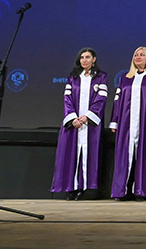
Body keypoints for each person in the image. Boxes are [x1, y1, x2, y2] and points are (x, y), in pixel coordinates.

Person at [50, 48, 108, 200]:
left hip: (90, 125)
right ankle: (72, 188)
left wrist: (87, 117)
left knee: (89, 155)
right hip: (74, 124)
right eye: (82, 57)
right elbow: (67, 99)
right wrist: (73, 118)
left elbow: (101, 99)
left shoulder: (101, 77)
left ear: (94, 59)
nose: (84, 60)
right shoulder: (73, 77)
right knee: (72, 155)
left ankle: (86, 189)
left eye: (88, 57)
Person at [109, 46, 146, 200]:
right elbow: (117, 101)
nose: (138, 57)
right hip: (126, 123)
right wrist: (115, 121)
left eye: (142, 55)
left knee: (145, 155)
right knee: (122, 156)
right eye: (136, 55)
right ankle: (120, 191)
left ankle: (142, 191)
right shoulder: (125, 78)